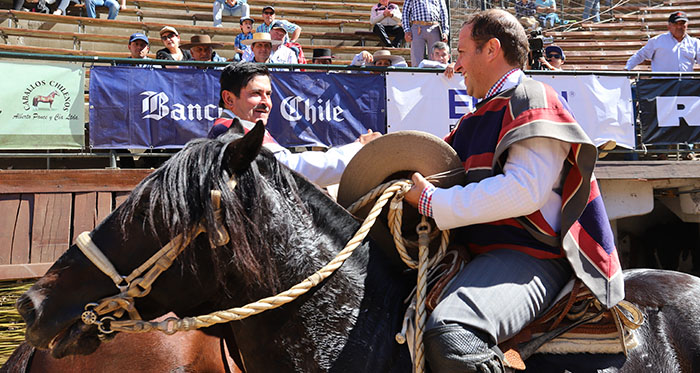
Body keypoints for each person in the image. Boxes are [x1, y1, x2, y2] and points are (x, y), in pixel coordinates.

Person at [403, 9, 623, 371]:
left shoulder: (532, 97)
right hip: (482, 256)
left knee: (453, 333)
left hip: (531, 258)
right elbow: (426, 162)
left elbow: (525, 190)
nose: (456, 65)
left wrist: (431, 201)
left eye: (461, 53)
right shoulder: (475, 118)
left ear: (491, 49)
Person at [208, 62, 380, 187]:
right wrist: (358, 149)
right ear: (229, 99)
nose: (266, 102)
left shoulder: (240, 125)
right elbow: (288, 169)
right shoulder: (230, 130)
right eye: (256, 94)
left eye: (268, 94)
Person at [625, 11, 700, 72]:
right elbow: (640, 55)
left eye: (682, 24)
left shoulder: (695, 43)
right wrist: (627, 68)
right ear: (669, 26)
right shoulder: (657, 41)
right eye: (675, 24)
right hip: (662, 85)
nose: (679, 27)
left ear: (687, 25)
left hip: (686, 85)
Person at [401, 0, 448, 67]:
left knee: (436, 58)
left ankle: (435, 76)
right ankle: (417, 76)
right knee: (416, 58)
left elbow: (443, 12)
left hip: (434, 27)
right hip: (417, 27)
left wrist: (445, 31)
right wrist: (407, 30)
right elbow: (405, 12)